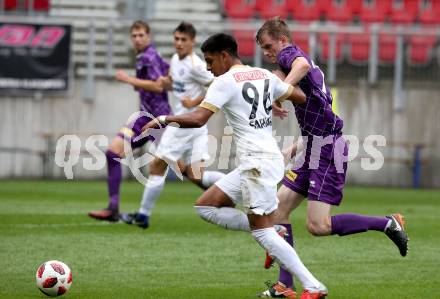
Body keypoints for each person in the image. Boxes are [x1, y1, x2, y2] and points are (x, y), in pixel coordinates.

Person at [139, 33, 328, 299]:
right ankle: (276, 231)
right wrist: (269, 102)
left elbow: (198, 119)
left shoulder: (224, 81)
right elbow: (299, 95)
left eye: (210, 60)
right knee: (206, 206)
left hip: (256, 164)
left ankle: (313, 285)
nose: (208, 68)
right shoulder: (263, 74)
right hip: (265, 159)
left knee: (260, 232)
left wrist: (163, 119)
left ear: (224, 55)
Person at [254, 17, 409, 298]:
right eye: (263, 48)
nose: (267, 52)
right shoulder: (294, 66)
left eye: (268, 46)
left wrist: (282, 89)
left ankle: (388, 223)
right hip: (314, 146)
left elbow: (298, 67)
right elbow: (320, 112)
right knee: (278, 211)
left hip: (328, 151)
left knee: (318, 226)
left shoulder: (292, 56)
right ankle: (284, 286)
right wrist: (298, 145)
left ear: (282, 41)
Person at [119, 21, 225, 228]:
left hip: (184, 124)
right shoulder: (176, 59)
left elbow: (217, 83)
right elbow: (171, 82)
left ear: (192, 42)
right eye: (176, 39)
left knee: (156, 165)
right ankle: (234, 186)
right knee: (197, 175)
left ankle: (143, 215)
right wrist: (163, 82)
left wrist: (194, 102)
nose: (178, 43)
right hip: (193, 126)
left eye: (183, 40)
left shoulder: (197, 66)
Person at [88, 20, 170, 222]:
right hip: (144, 118)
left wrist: (129, 79)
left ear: (148, 36)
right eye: (134, 35)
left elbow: (157, 86)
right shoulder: (148, 55)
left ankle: (219, 193)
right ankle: (113, 208)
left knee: (187, 169)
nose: (137, 39)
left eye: (141, 35)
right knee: (113, 153)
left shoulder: (149, 56)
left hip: (158, 119)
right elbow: (167, 74)